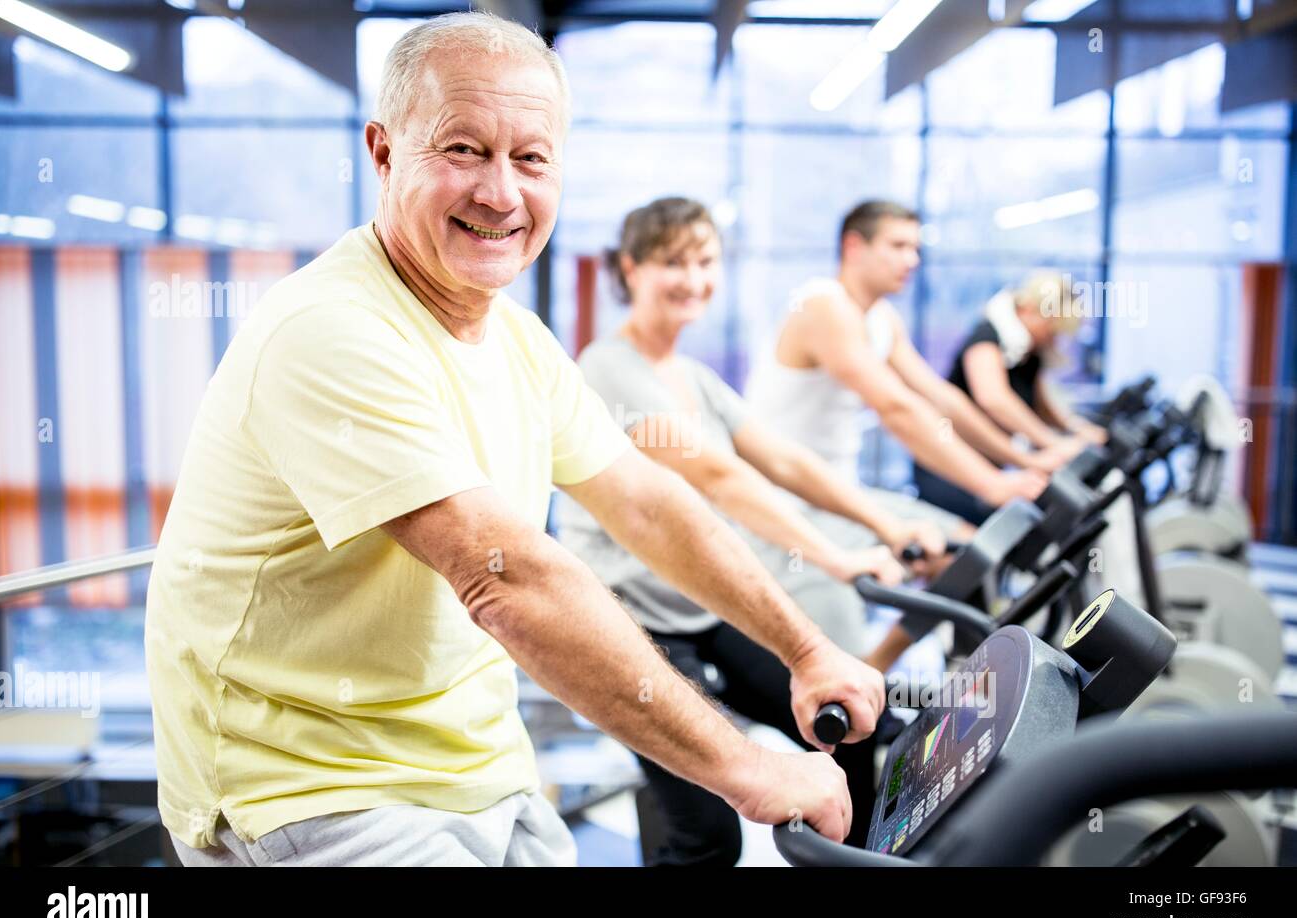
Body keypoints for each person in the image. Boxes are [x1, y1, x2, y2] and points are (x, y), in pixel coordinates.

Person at [145, 13, 884, 868]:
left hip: (483, 771)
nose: (500, 193)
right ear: (384, 153)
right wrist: (748, 769)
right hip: (315, 791)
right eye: (463, 150)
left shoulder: (517, 339)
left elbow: (645, 502)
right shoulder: (330, 331)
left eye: (530, 159)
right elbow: (510, 580)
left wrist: (805, 648)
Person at [559, 197, 947, 865]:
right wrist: (839, 560)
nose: (692, 278)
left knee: (853, 728)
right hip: (634, 629)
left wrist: (885, 525)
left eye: (705, 261)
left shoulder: (697, 380)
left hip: (698, 610)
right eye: (671, 262)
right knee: (708, 834)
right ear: (632, 269)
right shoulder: (607, 369)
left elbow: (784, 461)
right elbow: (720, 477)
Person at [745, 200, 1059, 528]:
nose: (911, 260)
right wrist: (992, 483)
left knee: (968, 545)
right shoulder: (824, 305)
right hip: (788, 502)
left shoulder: (882, 319)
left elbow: (941, 398)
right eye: (897, 246)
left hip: (839, 490)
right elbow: (895, 408)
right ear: (853, 246)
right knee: (959, 552)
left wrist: (1027, 459)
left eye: (915, 248)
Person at [947, 272, 1107, 450]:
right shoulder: (987, 337)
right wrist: (1054, 443)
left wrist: (1076, 429)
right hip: (951, 454)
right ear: (1028, 309)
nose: (1053, 339)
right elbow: (994, 400)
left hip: (987, 456)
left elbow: (1041, 406)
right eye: (1051, 328)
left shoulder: (1031, 352)